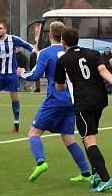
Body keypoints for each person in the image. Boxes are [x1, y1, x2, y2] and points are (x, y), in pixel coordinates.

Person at [17, 21, 91, 182]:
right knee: (69, 138)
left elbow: (35, 76)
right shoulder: (71, 52)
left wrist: (22, 73)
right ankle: (85, 172)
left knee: (33, 133)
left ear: (49, 35)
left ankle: (40, 162)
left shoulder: (46, 53)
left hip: (54, 99)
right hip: (72, 101)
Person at [55, 27, 112, 193]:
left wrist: (65, 85)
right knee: (89, 137)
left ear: (63, 42)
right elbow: (103, 71)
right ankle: (96, 174)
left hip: (82, 102)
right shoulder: (93, 53)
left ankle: (106, 179)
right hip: (99, 100)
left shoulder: (63, 60)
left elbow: (59, 87)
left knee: (89, 139)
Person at [0, 22, 38, 133]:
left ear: (5, 29)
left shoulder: (13, 39)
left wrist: (35, 51)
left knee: (14, 97)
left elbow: (25, 44)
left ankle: (16, 122)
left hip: (11, 73)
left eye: (0, 28)